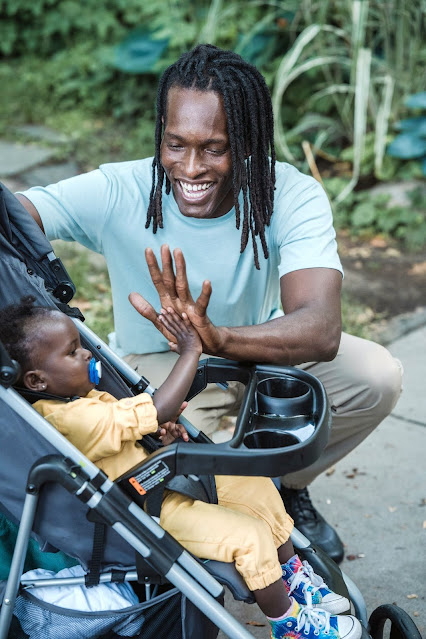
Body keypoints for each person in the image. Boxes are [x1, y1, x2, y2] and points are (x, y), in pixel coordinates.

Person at [15, 44, 403, 563]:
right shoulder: (119, 189)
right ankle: (250, 492)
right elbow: (18, 214)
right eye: (175, 145)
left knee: (377, 376)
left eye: (214, 149)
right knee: (212, 485)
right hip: (159, 366)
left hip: (259, 347)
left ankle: (289, 485)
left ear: (246, 143)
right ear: (160, 135)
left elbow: (320, 328)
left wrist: (216, 339)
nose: (190, 168)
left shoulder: (288, 193)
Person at [0, 297, 362, 639]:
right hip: (144, 512)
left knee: (253, 485)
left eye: (81, 344)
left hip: (162, 482)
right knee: (247, 536)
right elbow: (155, 409)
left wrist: (164, 442)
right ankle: (289, 623)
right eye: (73, 352)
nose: (86, 354)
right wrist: (191, 351)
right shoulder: (68, 418)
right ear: (36, 381)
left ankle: (291, 578)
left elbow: (129, 436)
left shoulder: (79, 396)